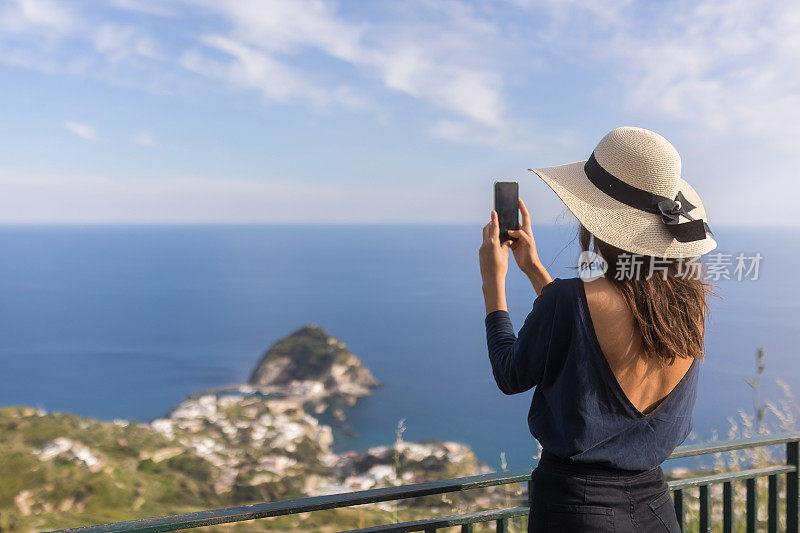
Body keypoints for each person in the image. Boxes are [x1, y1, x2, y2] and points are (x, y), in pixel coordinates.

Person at [478, 127, 716, 532]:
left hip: (575, 512)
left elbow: (510, 373)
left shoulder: (570, 300)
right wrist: (535, 270)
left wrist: (493, 284)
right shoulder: (687, 305)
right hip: (656, 512)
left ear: (595, 219)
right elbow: (594, 321)